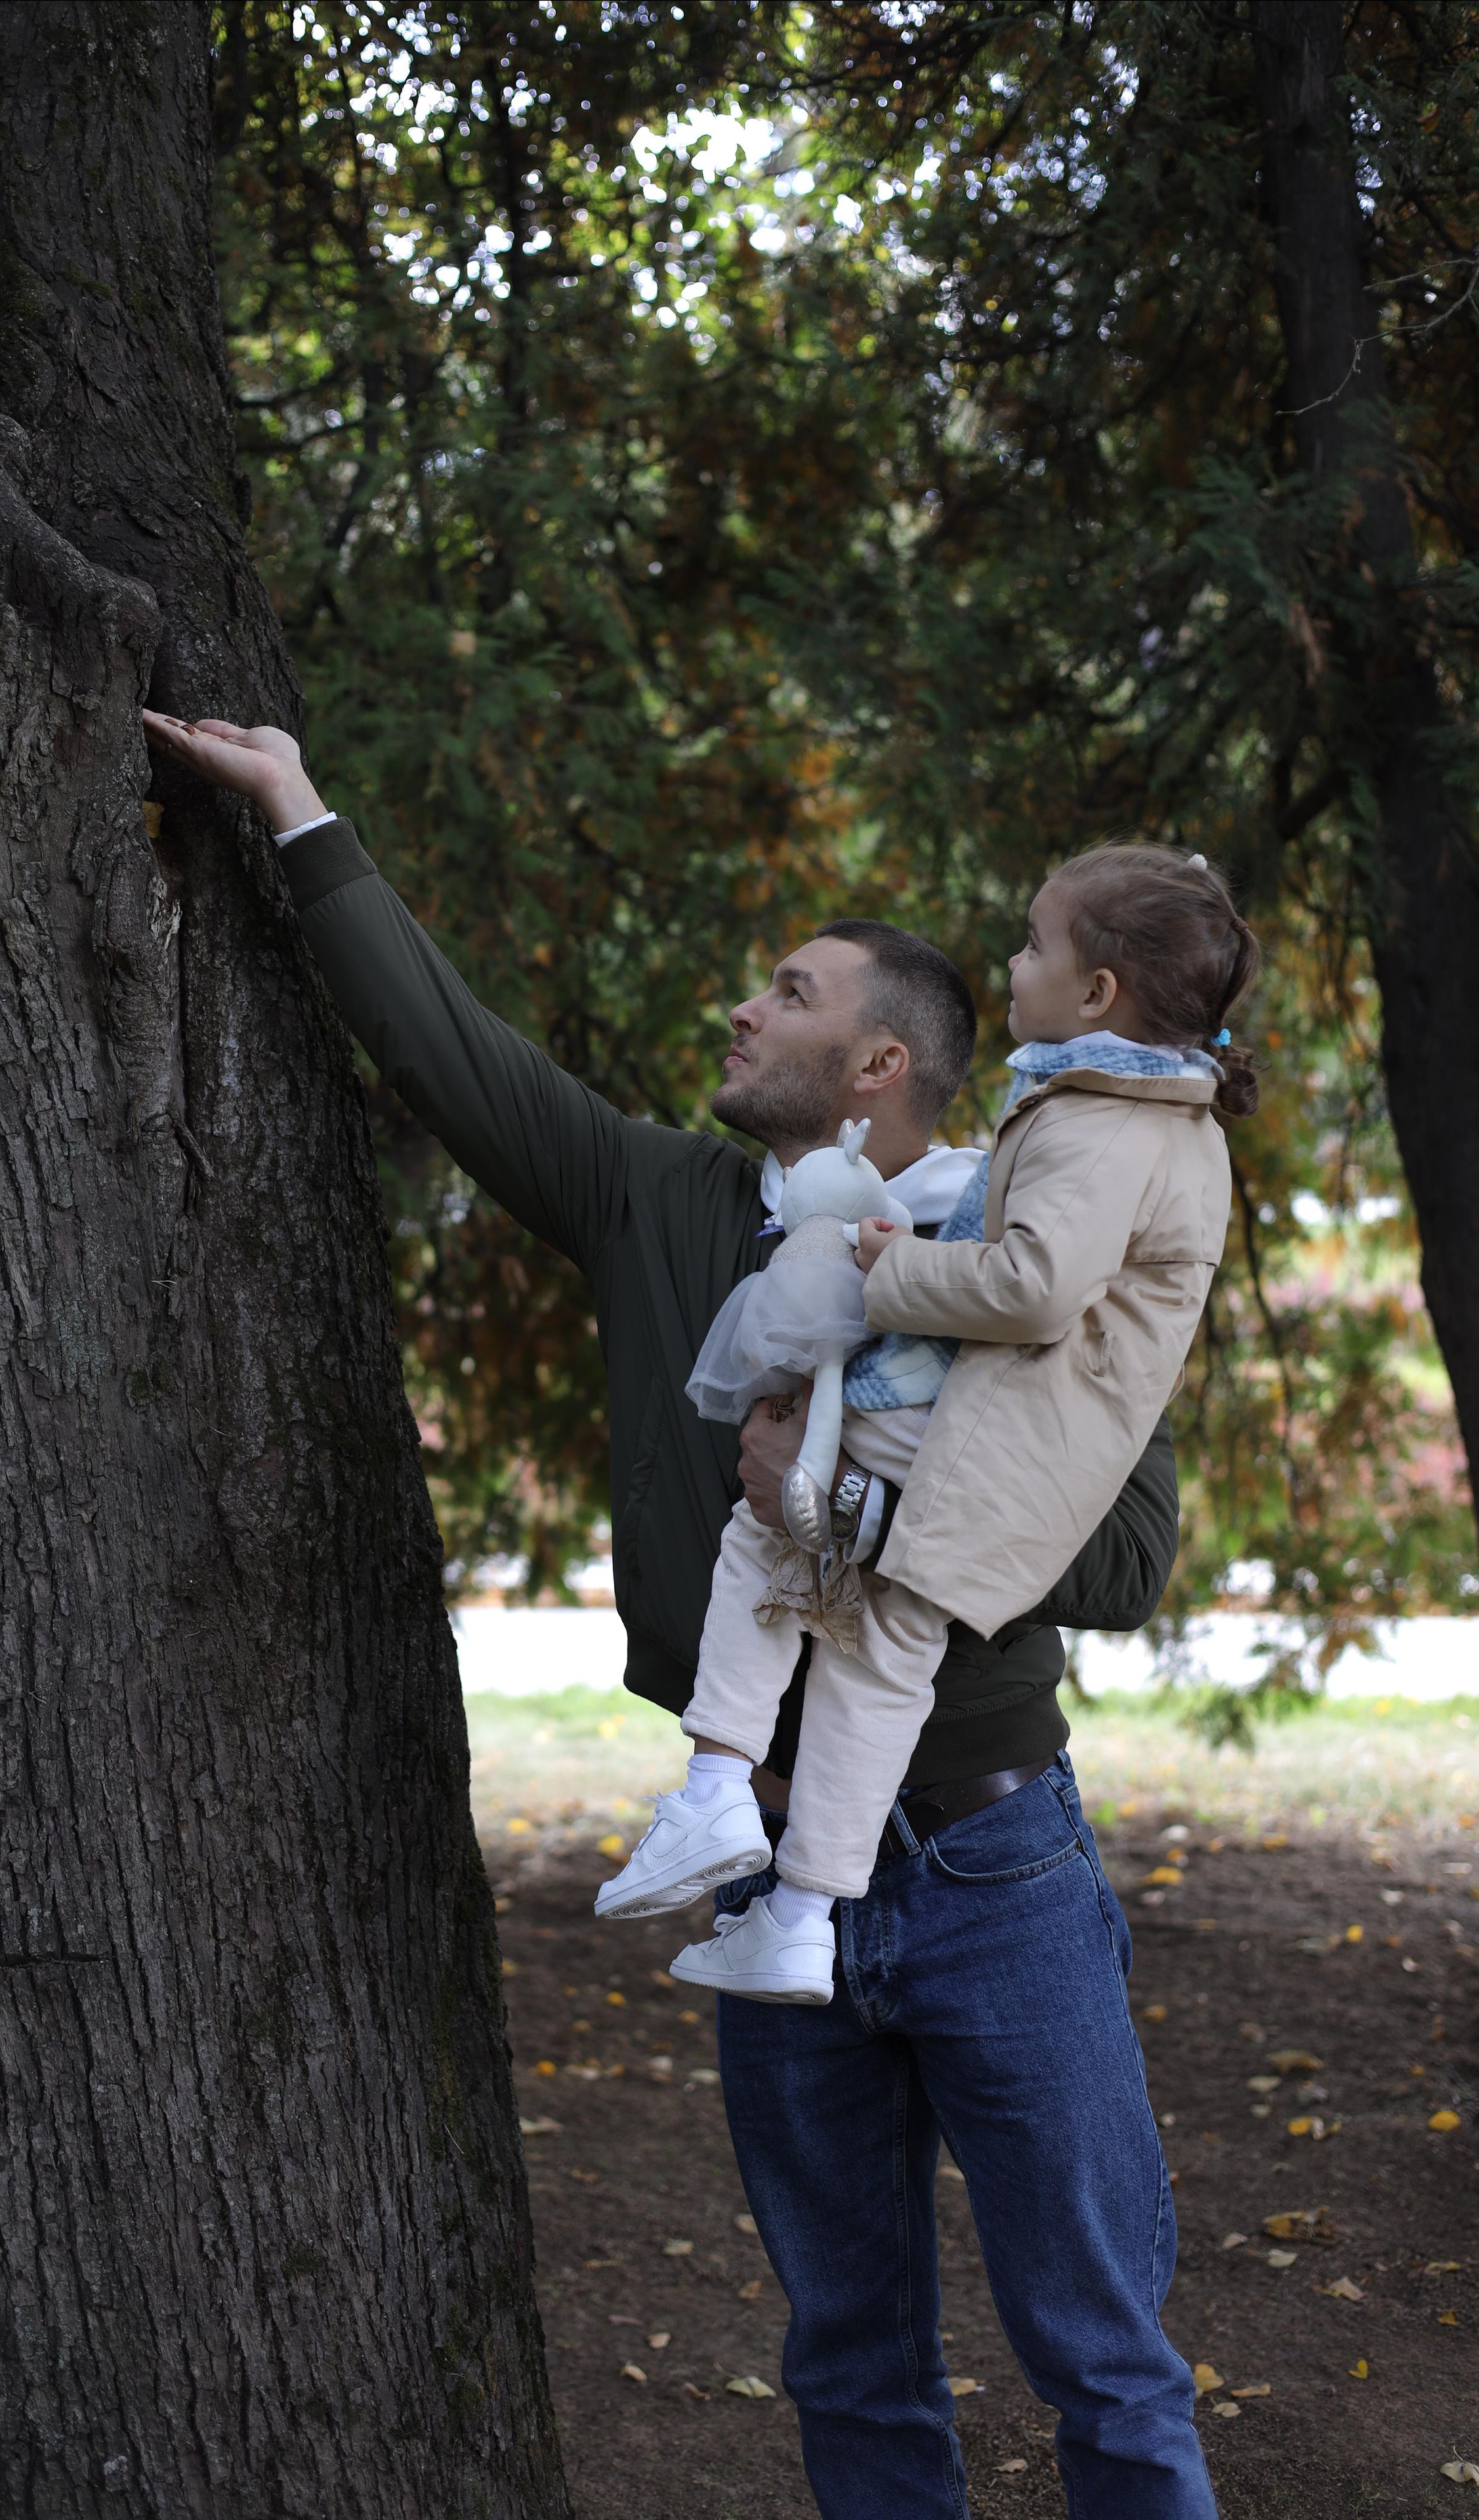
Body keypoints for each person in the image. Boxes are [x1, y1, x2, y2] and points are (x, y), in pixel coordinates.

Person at [141, 709, 1220, 2520]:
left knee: (1103, 2356)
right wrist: (296, 806)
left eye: (786, 993)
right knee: (848, 2359)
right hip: (760, 1868)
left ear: (880, 1063)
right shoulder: (662, 1200)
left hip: (988, 1868)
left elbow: (1123, 1563)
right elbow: (448, 1054)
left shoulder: (1030, 1221)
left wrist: (839, 1488)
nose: (746, 1007)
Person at [602, 847, 1256, 2015]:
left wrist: (894, 1269)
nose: (1012, 961)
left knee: (767, 1543)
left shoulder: (1102, 1122)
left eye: (1035, 943)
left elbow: (1035, 1288)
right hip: (1021, 1466)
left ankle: (714, 1784)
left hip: (984, 1442)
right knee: (880, 1661)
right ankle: (804, 1914)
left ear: (1098, 992)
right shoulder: (1161, 1123)